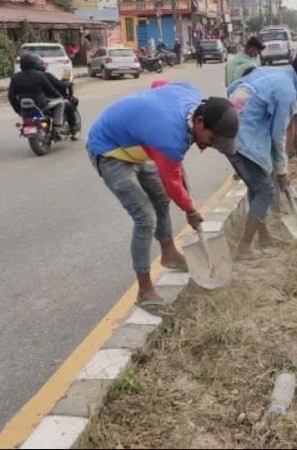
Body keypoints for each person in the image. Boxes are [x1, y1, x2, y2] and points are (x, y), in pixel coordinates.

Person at [87, 82, 239, 307]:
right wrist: (190, 210)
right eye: (212, 139)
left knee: (160, 199)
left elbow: (159, 84)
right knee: (145, 218)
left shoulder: (191, 94)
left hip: (137, 146)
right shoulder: (170, 141)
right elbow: (173, 184)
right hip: (108, 149)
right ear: (198, 122)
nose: (210, 146)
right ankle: (145, 290)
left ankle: (169, 254)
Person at [226, 46, 297, 260]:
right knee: (266, 190)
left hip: (229, 131)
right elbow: (278, 135)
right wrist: (282, 172)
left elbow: (233, 88)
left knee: (257, 188)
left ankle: (264, 237)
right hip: (243, 140)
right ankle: (244, 248)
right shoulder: (287, 92)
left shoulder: (269, 72)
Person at [7, 53, 66, 138]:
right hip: (41, 105)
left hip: (24, 107)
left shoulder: (15, 77)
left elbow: (11, 96)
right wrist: (60, 96)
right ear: (32, 63)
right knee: (61, 103)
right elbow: (50, 89)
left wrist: (18, 109)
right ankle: (57, 127)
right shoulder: (40, 75)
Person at [38, 63, 81, 140]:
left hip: (35, 105)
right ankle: (73, 130)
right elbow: (59, 85)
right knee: (68, 105)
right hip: (48, 102)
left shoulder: (23, 77)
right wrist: (67, 84)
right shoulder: (45, 75)